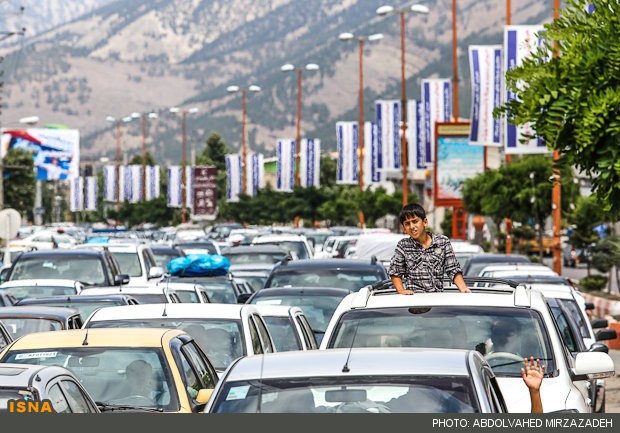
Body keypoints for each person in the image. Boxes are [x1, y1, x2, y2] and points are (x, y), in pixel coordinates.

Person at [389, 203, 471, 294]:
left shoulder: (442, 242)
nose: (412, 226)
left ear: (425, 222)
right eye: (407, 224)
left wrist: (464, 289)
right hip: (413, 302)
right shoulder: (403, 246)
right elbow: (395, 271)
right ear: (404, 228)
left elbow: (453, 269)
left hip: (437, 302)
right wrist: (401, 291)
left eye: (415, 221)